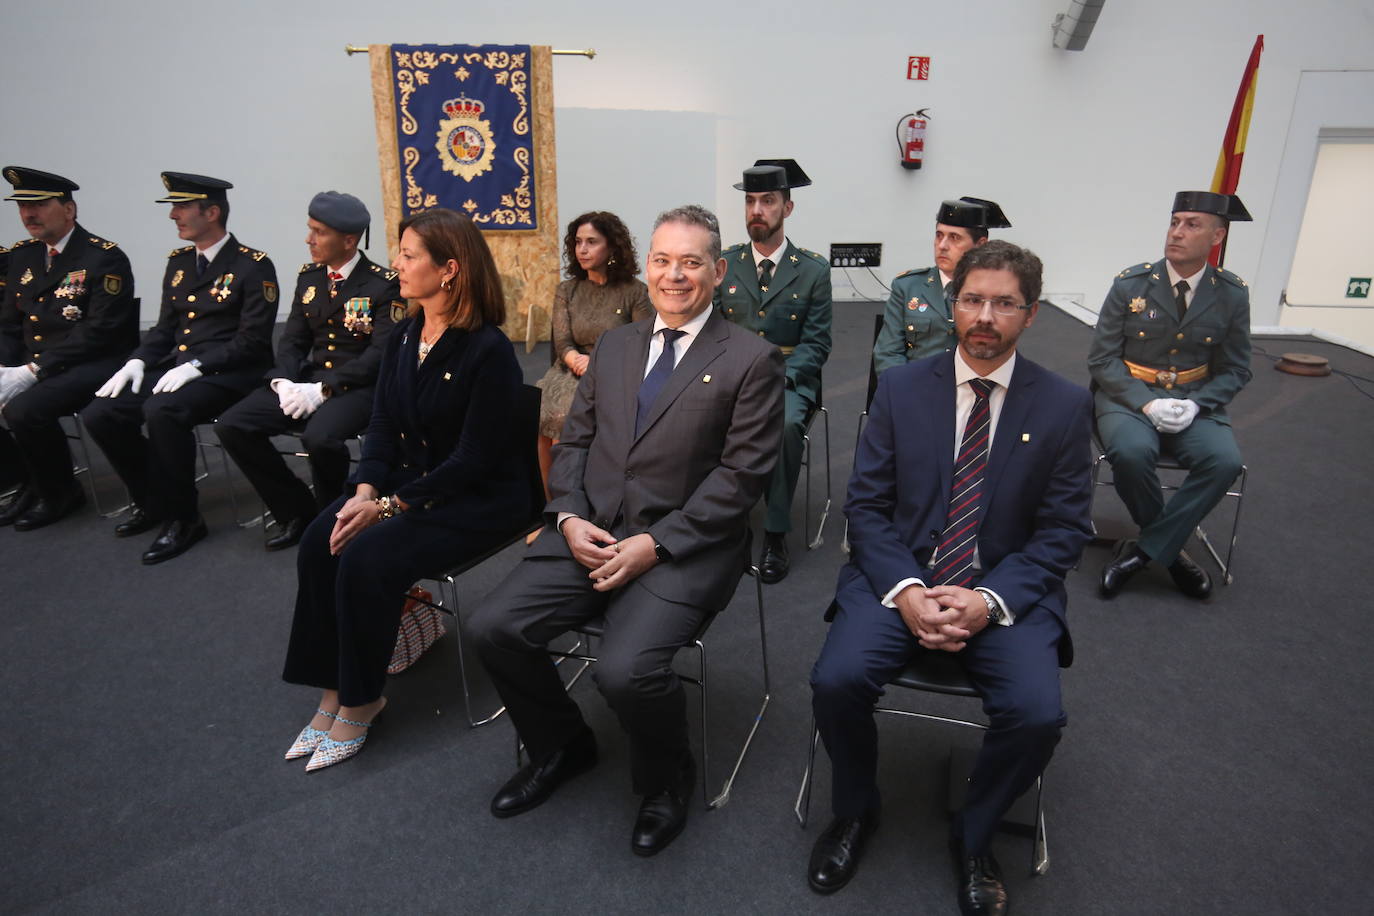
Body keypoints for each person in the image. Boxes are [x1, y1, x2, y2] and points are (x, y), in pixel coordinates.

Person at [469, 205, 783, 857]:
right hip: (592, 527)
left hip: (685, 545)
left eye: (691, 262)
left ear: (718, 272)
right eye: (663, 260)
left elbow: (741, 477)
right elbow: (576, 438)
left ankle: (668, 778)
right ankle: (564, 746)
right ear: (648, 266)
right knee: (492, 627)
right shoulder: (617, 345)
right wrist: (570, 514)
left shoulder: (750, 360)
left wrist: (656, 544)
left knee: (625, 669)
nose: (675, 275)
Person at [807, 241, 1093, 915]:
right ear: (950, 304)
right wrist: (907, 592)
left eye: (1004, 303)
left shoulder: (1062, 406)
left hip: (1002, 592)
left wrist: (986, 601)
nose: (985, 316)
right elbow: (867, 508)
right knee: (836, 680)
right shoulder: (903, 389)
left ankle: (974, 835)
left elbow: (1063, 532)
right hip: (898, 578)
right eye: (972, 300)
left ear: (1032, 314)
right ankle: (855, 811)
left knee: (1036, 715)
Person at [281, 207, 529, 772]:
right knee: (322, 540)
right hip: (408, 480)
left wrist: (388, 507)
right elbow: (382, 425)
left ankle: (363, 699)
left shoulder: (487, 350)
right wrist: (365, 491)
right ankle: (332, 691)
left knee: (365, 555)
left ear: (450, 269)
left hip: (477, 496)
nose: (396, 263)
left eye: (409, 255)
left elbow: (474, 460)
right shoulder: (404, 334)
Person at [81, 172, 279, 564]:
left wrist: (198, 366)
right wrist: (136, 360)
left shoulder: (253, 265)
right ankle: (153, 498)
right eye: (174, 207)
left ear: (213, 212)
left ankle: (184, 518)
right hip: (181, 369)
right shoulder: (179, 263)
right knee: (101, 412)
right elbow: (166, 328)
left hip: (233, 373)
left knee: (162, 410)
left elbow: (253, 341)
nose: (173, 215)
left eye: (183, 207)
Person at [215, 191, 402, 551]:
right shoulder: (310, 278)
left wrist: (325, 389)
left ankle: (333, 517)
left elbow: (381, 354)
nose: (308, 240)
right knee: (233, 425)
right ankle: (295, 510)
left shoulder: (383, 284)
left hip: (360, 388)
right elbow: (293, 340)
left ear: (349, 240)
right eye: (309, 229)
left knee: (319, 438)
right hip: (307, 381)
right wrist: (283, 381)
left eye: (318, 232)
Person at [1090, 191, 1252, 600]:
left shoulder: (1231, 294)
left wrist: (1197, 403)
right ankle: (1173, 555)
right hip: (1129, 397)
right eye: (1175, 221)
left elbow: (1236, 368)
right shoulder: (1131, 284)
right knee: (1129, 452)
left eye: (1191, 224)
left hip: (1194, 398)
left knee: (1224, 461)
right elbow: (1102, 360)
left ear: (1217, 235)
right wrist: (1146, 402)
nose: (1177, 233)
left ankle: (1142, 553)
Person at [0, 166, 137, 529]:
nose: (28, 214)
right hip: (38, 363)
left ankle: (60, 493)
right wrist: (4, 367)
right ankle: (24, 480)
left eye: (39, 205)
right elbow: (10, 324)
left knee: (24, 411)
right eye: (22, 206)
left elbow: (99, 332)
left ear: (69, 209)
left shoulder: (102, 257)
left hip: (93, 363)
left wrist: (32, 371)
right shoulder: (24, 256)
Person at [714, 159, 831, 583]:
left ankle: (775, 532)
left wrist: (780, 377)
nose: (756, 210)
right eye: (750, 201)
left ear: (787, 208)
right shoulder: (725, 264)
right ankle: (715, 521)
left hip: (786, 377)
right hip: (731, 375)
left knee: (782, 426)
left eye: (767, 201)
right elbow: (711, 332)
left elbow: (817, 342)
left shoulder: (814, 269)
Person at [534, 210, 651, 491]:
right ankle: (552, 504)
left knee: (572, 414)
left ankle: (585, 500)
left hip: (617, 370)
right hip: (569, 369)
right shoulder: (567, 289)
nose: (582, 249)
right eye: (578, 242)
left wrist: (598, 363)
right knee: (545, 413)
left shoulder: (634, 291)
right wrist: (575, 360)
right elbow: (562, 341)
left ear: (612, 246)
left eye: (591, 242)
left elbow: (644, 341)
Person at [873, 197, 1011, 377]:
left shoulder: (995, 291)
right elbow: (888, 354)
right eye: (939, 235)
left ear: (980, 245)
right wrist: (905, 394)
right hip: (915, 389)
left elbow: (1000, 355)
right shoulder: (908, 287)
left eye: (954, 238)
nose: (942, 246)